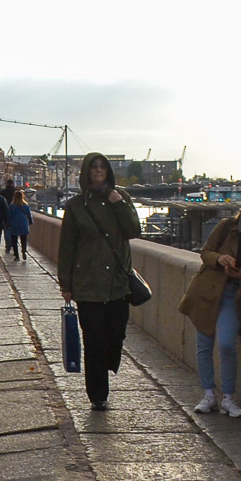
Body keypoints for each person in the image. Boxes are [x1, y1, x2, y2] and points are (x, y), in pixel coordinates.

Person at [179, 198, 241, 419]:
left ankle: (228, 398)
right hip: (208, 290)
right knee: (204, 345)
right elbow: (206, 252)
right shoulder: (226, 226)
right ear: (240, 216)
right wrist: (219, 258)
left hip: (234, 295)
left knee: (226, 344)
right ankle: (208, 395)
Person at [57, 152, 142, 410]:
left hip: (118, 283)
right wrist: (66, 285)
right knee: (93, 340)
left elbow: (133, 231)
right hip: (88, 285)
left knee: (115, 336)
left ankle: (106, 366)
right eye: (93, 167)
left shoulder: (121, 198)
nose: (98, 171)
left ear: (108, 171)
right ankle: (98, 395)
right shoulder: (75, 206)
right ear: (86, 172)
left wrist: (119, 204)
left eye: (102, 167)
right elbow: (67, 248)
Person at [6, 190, 33, 261]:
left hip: (14, 225)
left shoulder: (11, 206)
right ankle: (24, 250)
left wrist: (7, 224)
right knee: (23, 240)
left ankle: (17, 256)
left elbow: (9, 216)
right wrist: (30, 222)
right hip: (23, 224)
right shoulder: (25, 206)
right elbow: (29, 215)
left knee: (14, 241)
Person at [1, 178, 20, 256]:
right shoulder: (16, 192)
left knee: (6, 231)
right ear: (13, 184)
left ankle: (8, 245)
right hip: (15, 214)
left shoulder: (2, 192)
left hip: (5, 214)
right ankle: (13, 244)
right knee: (15, 231)